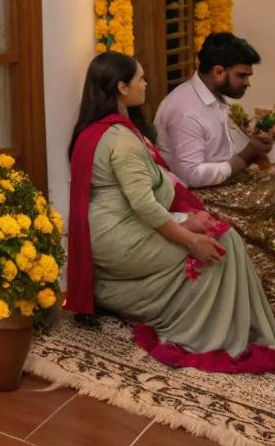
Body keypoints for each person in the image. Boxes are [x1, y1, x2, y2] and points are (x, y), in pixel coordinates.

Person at [67, 51, 275, 371]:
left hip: (120, 226)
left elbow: (142, 200)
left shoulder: (107, 129)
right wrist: (190, 239)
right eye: (140, 79)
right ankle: (208, 334)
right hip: (119, 236)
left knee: (225, 236)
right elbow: (143, 204)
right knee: (219, 247)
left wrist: (187, 220)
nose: (146, 84)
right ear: (122, 88)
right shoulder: (119, 139)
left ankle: (245, 328)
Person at [155, 33, 275, 301]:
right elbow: (191, 175)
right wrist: (245, 156)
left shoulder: (214, 96)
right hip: (196, 197)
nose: (247, 83)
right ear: (219, 71)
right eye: (242, 76)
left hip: (226, 183)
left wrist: (255, 145)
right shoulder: (186, 110)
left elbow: (224, 149)